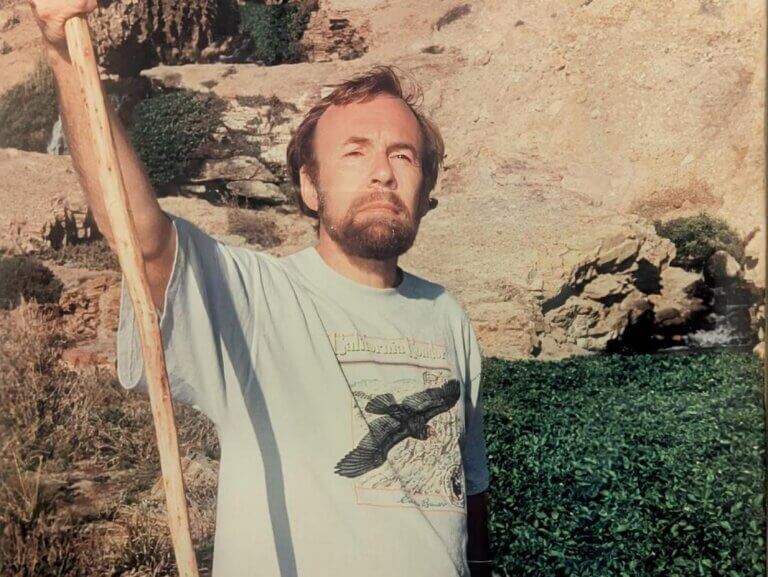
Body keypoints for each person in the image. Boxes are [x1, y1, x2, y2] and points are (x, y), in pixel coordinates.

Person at [32, 1, 493, 575]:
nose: (383, 172)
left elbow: (468, 485)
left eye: (403, 155)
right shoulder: (254, 298)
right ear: (309, 186)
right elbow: (141, 237)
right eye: (355, 153)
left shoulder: (446, 314)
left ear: (426, 188)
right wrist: (63, 54)